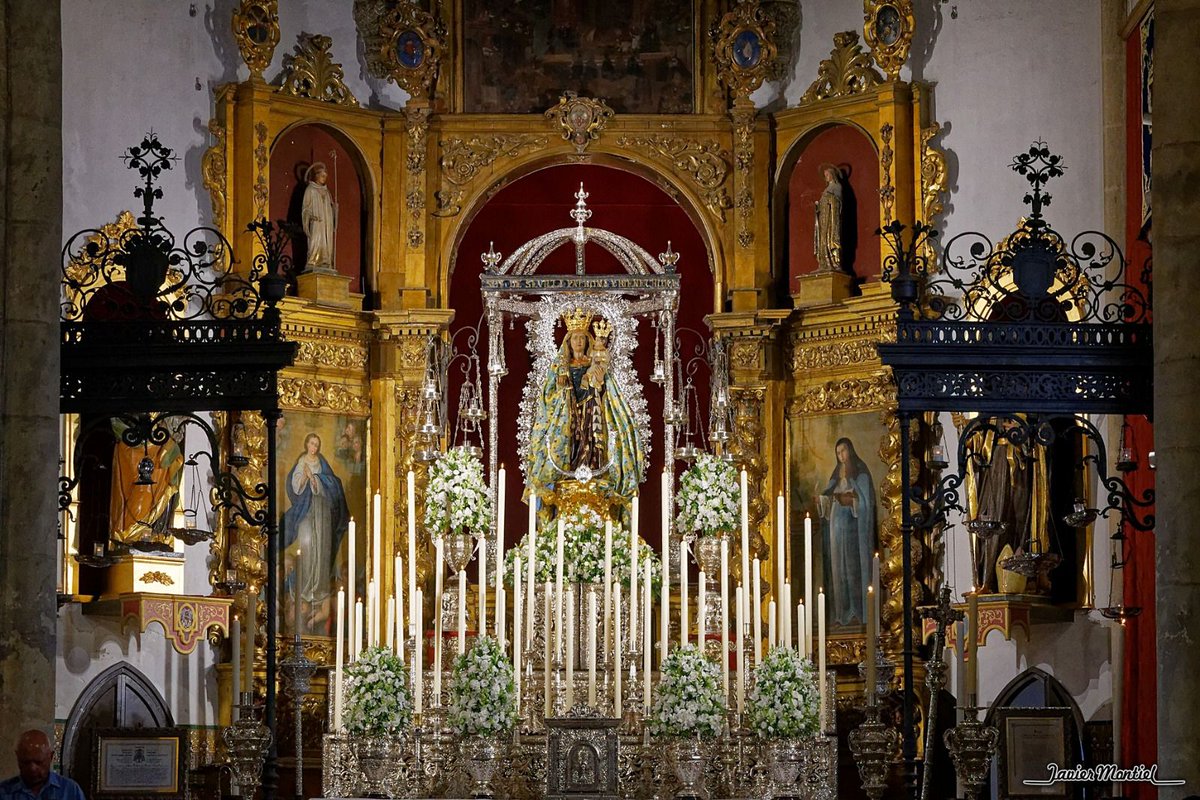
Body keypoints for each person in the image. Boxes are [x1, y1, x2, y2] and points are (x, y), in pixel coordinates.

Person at [527, 308, 644, 512]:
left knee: (592, 443)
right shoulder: (561, 365)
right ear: (568, 342)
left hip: (592, 410)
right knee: (571, 442)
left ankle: (593, 470)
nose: (579, 342)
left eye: (582, 338)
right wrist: (561, 385)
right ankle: (569, 472)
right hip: (568, 414)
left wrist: (596, 378)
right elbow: (549, 392)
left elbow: (606, 388)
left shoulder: (594, 362)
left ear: (588, 340)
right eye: (575, 338)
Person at [281, 433, 350, 633]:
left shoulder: (321, 463)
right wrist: (304, 478)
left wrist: (317, 480)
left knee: (321, 549)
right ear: (306, 444)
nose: (314, 447)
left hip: (322, 513)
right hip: (306, 512)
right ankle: (304, 589)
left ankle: (318, 589)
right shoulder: (301, 462)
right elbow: (295, 488)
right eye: (311, 443)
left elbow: (333, 485)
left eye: (317, 445)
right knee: (308, 545)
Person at [817, 437, 876, 627]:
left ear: (850, 451)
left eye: (843, 451)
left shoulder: (860, 474)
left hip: (853, 534)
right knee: (839, 570)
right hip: (836, 532)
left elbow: (866, 503)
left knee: (853, 570)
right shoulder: (836, 476)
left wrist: (852, 501)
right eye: (838, 453)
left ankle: (857, 611)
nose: (841, 456)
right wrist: (822, 501)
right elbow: (828, 498)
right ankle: (841, 613)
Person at [1, 730, 85, 800]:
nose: (32, 768)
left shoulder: (70, 791)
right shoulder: (3, 792)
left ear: (51, 757)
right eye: (26, 762)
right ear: (18, 757)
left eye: (38, 762)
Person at [301, 162, 336, 272]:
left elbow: (330, 208)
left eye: (325, 177)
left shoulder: (327, 192)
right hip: (316, 222)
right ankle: (313, 261)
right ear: (316, 176)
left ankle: (326, 261)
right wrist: (310, 216)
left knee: (326, 244)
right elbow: (305, 208)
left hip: (326, 223)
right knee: (315, 242)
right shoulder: (310, 190)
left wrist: (335, 209)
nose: (324, 178)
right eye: (322, 176)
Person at [814, 163, 844, 273]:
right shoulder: (827, 189)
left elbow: (838, 202)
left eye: (828, 174)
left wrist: (829, 198)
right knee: (823, 238)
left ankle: (834, 261)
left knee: (831, 238)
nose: (826, 177)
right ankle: (824, 263)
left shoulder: (837, 187)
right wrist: (819, 204)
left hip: (832, 218)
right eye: (825, 175)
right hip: (824, 218)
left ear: (832, 175)